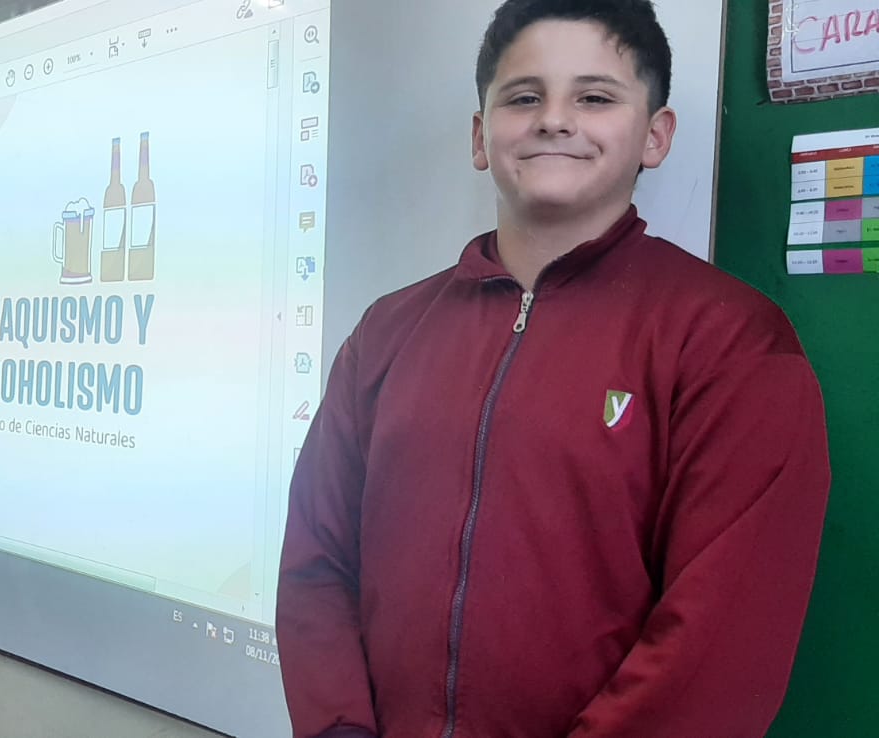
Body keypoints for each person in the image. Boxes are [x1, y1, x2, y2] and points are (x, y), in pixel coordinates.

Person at [275, 2, 831, 737]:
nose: (554, 120)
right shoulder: (387, 333)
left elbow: (722, 642)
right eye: (523, 97)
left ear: (656, 135)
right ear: (481, 136)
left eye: (595, 97)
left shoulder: (732, 343)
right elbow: (316, 560)